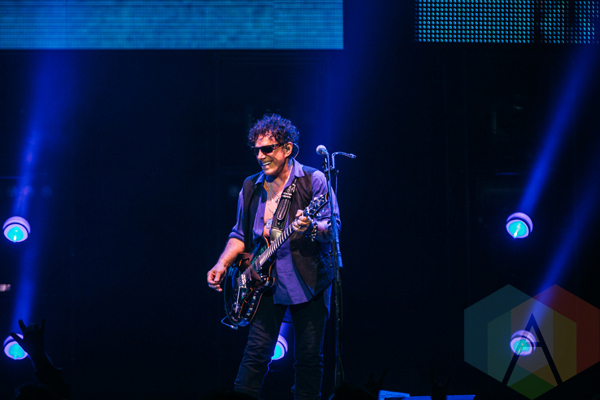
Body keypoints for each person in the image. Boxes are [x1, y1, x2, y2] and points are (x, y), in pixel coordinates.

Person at [207, 114, 340, 400]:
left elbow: (333, 229)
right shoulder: (250, 186)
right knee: (255, 354)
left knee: (308, 358)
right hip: (263, 282)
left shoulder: (313, 180)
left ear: (287, 148)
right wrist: (222, 263)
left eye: (267, 149)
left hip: (309, 281)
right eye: (256, 150)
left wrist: (311, 227)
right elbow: (239, 234)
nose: (260, 156)